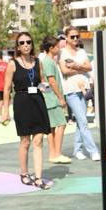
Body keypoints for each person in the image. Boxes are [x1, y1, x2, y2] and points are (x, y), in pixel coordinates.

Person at [1, 32, 53, 189]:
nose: (25, 45)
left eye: (28, 42)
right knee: (25, 141)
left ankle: (38, 178)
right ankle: (24, 173)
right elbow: (7, 89)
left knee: (39, 140)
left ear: (32, 44)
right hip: (22, 102)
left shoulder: (38, 62)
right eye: (22, 42)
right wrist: (5, 111)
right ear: (17, 46)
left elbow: (42, 81)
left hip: (37, 101)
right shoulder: (12, 64)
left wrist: (45, 87)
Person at [59, 27, 100, 161]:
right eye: (72, 37)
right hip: (71, 91)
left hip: (84, 89)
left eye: (77, 36)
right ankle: (93, 150)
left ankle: (77, 149)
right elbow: (65, 71)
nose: (76, 39)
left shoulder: (81, 51)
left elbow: (89, 67)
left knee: (80, 122)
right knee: (83, 121)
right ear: (66, 38)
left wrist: (76, 66)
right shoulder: (62, 53)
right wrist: (80, 68)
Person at [39, 35, 71, 164]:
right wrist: (60, 98)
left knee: (52, 128)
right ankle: (57, 153)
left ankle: (53, 154)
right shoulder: (48, 62)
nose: (59, 48)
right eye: (57, 46)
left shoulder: (47, 61)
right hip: (53, 100)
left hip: (49, 99)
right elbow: (52, 81)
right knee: (61, 124)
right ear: (51, 48)